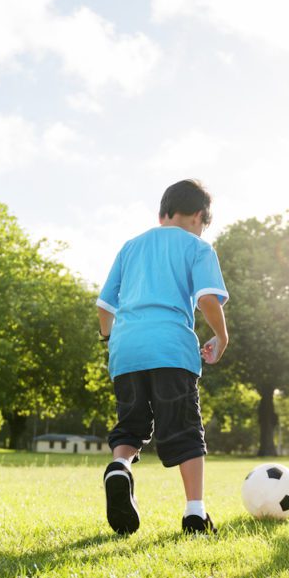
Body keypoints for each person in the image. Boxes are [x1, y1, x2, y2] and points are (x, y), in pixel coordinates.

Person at [96, 179, 230, 535]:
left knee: (131, 424)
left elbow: (104, 307)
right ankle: (195, 514)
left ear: (163, 213)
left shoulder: (130, 247)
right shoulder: (197, 247)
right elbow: (206, 300)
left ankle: (120, 466)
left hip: (125, 352)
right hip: (171, 350)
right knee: (186, 430)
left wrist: (110, 338)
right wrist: (221, 334)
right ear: (200, 217)